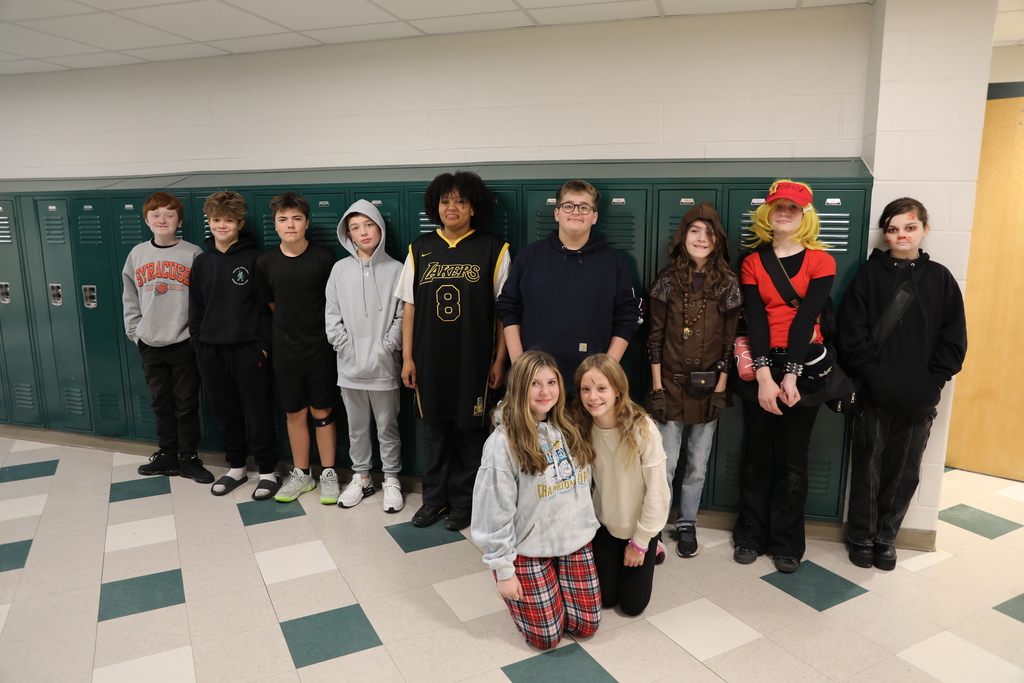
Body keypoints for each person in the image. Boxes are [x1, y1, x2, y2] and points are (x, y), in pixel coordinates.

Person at [837, 197, 967, 570]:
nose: (901, 235)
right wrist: (874, 376)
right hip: (873, 393)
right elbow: (852, 333)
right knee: (868, 466)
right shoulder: (868, 274)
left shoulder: (940, 278)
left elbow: (953, 338)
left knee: (905, 470)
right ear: (885, 234)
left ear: (925, 229)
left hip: (919, 398)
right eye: (892, 229)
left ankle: (886, 537)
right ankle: (861, 536)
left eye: (909, 227)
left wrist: (933, 382)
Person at [396, 171, 510, 531]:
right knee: (436, 432)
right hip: (431, 360)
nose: (452, 207)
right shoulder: (420, 247)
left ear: (473, 207)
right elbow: (410, 307)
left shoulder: (494, 248)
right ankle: (434, 500)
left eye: (460, 201)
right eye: (446, 201)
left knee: (469, 433)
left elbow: (504, 312)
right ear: (436, 206)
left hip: (473, 361)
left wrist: (499, 360)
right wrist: (408, 357)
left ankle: (464, 502)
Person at [731, 180, 835, 573]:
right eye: (779, 207)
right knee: (757, 453)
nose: (785, 213)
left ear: (805, 214)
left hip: (803, 365)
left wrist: (790, 375)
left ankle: (787, 541)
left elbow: (807, 317)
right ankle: (750, 534)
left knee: (792, 457)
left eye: (794, 207)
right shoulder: (753, 262)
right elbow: (754, 319)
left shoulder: (820, 261)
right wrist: (763, 376)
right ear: (768, 214)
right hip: (762, 363)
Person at [471, 350, 600, 649]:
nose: (545, 392)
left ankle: (553, 584)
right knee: (546, 638)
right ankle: (527, 583)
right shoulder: (502, 444)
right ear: (519, 388)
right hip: (528, 548)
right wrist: (504, 571)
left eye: (551, 382)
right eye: (534, 384)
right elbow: (494, 512)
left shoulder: (569, 426)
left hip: (573, 539)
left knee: (586, 625)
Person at [647, 202, 741, 558]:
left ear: (718, 240)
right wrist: (656, 388)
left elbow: (731, 342)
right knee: (666, 462)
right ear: (682, 237)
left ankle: (687, 523)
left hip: (707, 389)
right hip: (669, 386)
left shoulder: (728, 283)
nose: (702, 239)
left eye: (709, 232)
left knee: (697, 464)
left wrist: (721, 390)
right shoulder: (667, 280)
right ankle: (654, 525)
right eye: (695, 231)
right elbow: (654, 337)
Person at [497, 179, 642, 385]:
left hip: (590, 381)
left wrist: (607, 369)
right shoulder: (529, 256)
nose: (576, 212)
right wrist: (520, 364)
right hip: (535, 379)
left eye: (584, 207)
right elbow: (508, 307)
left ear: (594, 217)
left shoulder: (614, 262)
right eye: (568, 206)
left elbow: (628, 316)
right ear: (557, 213)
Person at [189, 191, 279, 500]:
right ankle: (237, 467)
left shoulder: (256, 260)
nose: (221, 226)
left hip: (248, 350)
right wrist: (200, 345)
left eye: (228, 220)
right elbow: (196, 309)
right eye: (215, 220)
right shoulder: (201, 262)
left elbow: (266, 309)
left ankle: (267, 471)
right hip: (212, 351)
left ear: (240, 223)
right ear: (209, 222)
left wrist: (263, 347)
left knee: (257, 413)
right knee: (225, 413)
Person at [122, 191, 212, 484]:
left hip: (183, 342)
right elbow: (130, 298)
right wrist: (136, 334)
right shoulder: (137, 254)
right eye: (156, 214)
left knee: (186, 405)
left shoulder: (192, 253)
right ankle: (167, 455)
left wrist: (194, 336)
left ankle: (188, 458)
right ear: (147, 220)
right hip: (150, 343)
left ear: (179, 220)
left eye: (169, 214)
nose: (163, 219)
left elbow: (203, 299)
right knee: (160, 403)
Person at [255, 192, 339, 505]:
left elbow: (333, 305)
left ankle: (328, 473)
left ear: (306, 222)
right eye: (283, 219)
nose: (290, 225)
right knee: (295, 413)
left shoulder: (324, 258)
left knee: (323, 411)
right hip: (286, 352)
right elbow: (272, 306)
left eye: (296, 218)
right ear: (275, 225)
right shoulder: (265, 262)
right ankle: (302, 473)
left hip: (321, 350)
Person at [574, 354, 669, 616]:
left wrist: (640, 542)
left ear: (617, 390)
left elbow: (658, 492)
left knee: (632, 606)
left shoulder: (643, 429)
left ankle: (655, 543)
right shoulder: (584, 426)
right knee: (605, 600)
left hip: (637, 527)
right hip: (606, 525)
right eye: (586, 389)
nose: (593, 397)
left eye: (602, 388)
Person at [325, 200, 405, 513]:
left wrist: (387, 346)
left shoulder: (397, 269)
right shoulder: (339, 270)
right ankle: (361, 477)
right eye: (355, 228)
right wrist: (345, 346)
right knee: (356, 428)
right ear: (348, 234)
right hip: (349, 366)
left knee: (387, 427)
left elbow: (402, 316)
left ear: (379, 228)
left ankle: (391, 479)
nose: (363, 232)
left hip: (384, 366)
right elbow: (332, 316)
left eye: (368, 225)